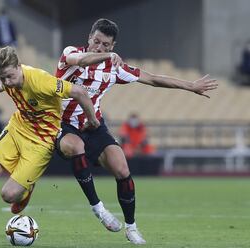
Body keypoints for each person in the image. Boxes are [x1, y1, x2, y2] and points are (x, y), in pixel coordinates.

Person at [54, 18, 218, 244]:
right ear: (89, 38)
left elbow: (152, 79)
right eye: (96, 42)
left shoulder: (114, 68)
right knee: (76, 146)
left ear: (113, 47)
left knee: (122, 169)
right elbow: (80, 60)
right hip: (63, 123)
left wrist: (190, 86)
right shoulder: (71, 54)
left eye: (105, 45)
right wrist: (104, 56)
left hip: (94, 124)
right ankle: (98, 209)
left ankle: (131, 227)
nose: (99, 47)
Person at [0, 46, 99, 242]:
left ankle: (26, 190)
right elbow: (6, 81)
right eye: (2, 78)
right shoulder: (9, 79)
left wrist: (93, 120)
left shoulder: (41, 81)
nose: (7, 82)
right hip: (17, 129)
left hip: (42, 140)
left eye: (10, 77)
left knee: (9, 196)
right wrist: (2, 85)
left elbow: (80, 92)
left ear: (19, 67)